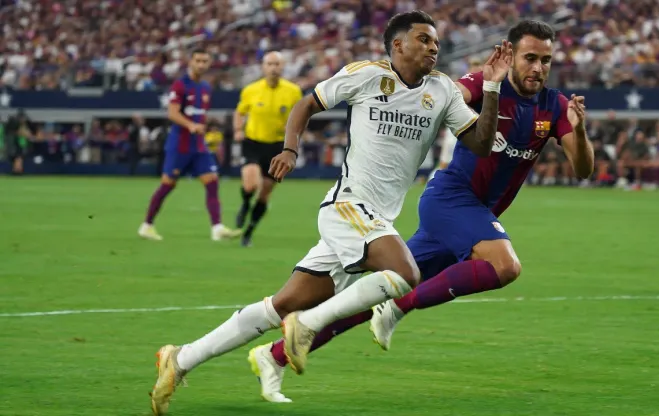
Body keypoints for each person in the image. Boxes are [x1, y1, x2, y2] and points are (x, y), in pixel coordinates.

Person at [149, 10, 508, 414]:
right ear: (398, 45)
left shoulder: (441, 90)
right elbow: (306, 104)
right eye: (424, 39)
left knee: (280, 306)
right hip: (348, 206)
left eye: (436, 42)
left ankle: (181, 358)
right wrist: (290, 148)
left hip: (375, 219)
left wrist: (492, 86)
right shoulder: (366, 75)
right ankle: (307, 326)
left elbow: (481, 144)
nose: (433, 47)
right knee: (406, 274)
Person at [247, 19, 595, 403]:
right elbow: (442, 96)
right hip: (450, 199)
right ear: (510, 55)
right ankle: (396, 308)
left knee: (377, 293)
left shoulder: (555, 106)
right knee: (505, 266)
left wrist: (578, 131)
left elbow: (583, 169)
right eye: (530, 58)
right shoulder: (482, 83)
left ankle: (273, 356)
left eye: (546, 60)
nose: (538, 68)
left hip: (473, 214)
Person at [137, 49, 241, 242]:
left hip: (198, 145)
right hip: (180, 145)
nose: (201, 65)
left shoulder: (205, 87)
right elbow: (172, 113)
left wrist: (203, 125)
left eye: (205, 61)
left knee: (212, 181)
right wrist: (190, 125)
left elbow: (199, 114)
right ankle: (147, 225)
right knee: (168, 184)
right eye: (198, 60)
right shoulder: (180, 85)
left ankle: (217, 228)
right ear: (190, 62)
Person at [233, 51, 303, 247]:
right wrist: (238, 129)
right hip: (253, 142)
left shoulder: (293, 91)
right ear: (263, 67)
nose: (273, 68)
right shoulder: (251, 90)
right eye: (270, 64)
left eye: (277, 64)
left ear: (283, 67)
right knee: (250, 184)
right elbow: (239, 112)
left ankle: (249, 232)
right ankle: (245, 204)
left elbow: (299, 116)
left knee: (265, 192)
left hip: (277, 146)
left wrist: (293, 133)